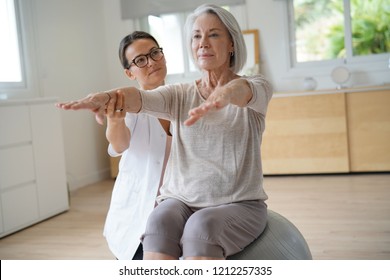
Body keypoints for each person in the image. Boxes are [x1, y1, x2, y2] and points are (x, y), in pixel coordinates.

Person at [57, 4, 273, 260]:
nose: (203, 42)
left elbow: (243, 91)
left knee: (200, 227)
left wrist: (223, 95)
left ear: (232, 44)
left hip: (236, 203)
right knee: (158, 219)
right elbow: (138, 98)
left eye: (214, 34)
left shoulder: (257, 86)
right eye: (196, 36)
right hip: (179, 200)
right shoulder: (179, 94)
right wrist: (104, 97)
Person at [103, 31, 171, 260]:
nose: (151, 62)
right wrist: (115, 120)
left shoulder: (183, 100)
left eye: (154, 53)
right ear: (129, 73)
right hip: (137, 213)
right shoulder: (128, 107)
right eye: (140, 60)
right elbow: (119, 145)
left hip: (175, 210)